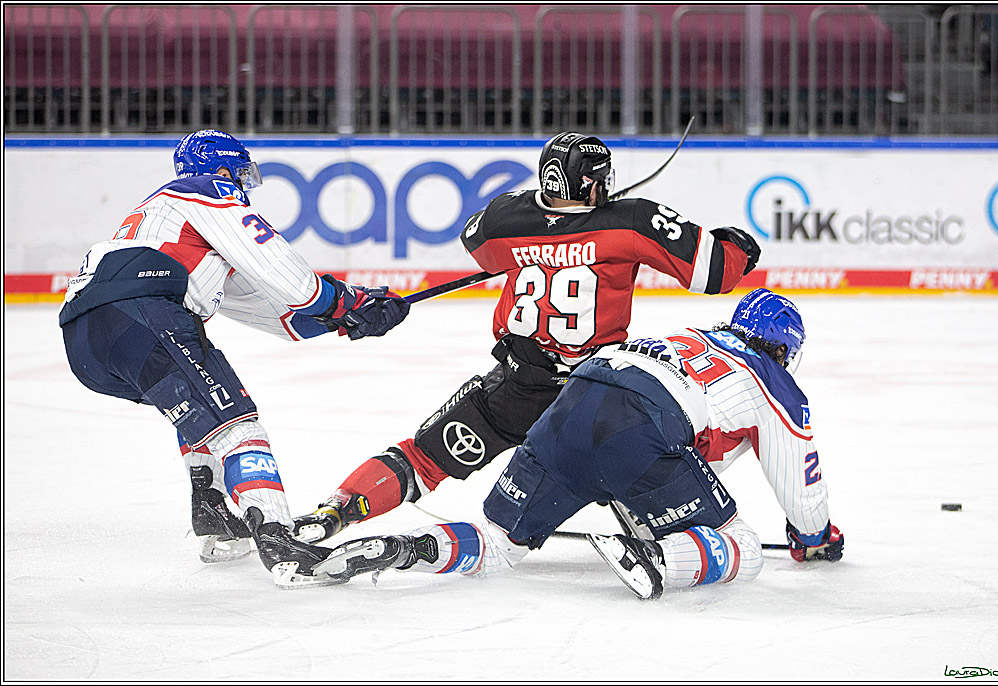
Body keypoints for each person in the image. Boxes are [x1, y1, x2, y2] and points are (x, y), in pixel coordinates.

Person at [293, 131, 762, 545]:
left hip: (515, 387)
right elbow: (717, 272)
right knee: (656, 440)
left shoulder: (505, 219)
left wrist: (544, 231)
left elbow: (477, 243)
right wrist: (737, 243)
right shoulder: (632, 221)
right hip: (594, 398)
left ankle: (335, 510)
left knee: (423, 457)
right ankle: (675, 531)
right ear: (593, 183)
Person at [308, 288, 843, 599]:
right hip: (642, 426)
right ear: (785, 350)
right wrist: (812, 535)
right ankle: (659, 559)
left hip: (571, 402)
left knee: (500, 542)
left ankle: (408, 550)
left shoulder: (684, 335)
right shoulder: (774, 381)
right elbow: (800, 478)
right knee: (744, 550)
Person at [58, 129, 410, 588]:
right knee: (235, 422)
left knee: (199, 413)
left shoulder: (169, 225)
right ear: (222, 168)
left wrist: (343, 319)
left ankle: (216, 518)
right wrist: (346, 301)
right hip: (141, 314)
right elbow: (281, 268)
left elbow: (276, 311)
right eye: (240, 174)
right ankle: (282, 544)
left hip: (88, 338)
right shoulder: (205, 189)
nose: (242, 186)